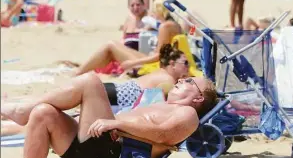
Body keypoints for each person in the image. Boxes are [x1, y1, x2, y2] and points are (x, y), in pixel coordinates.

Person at [1, 76, 217, 158]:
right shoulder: (162, 104)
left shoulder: (188, 115)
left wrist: (118, 122)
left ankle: (22, 109)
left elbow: (164, 134)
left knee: (91, 82)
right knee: (43, 113)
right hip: (94, 145)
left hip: (115, 152)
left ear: (198, 97)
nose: (181, 79)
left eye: (189, 80)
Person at [1, 44, 192, 127]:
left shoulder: (159, 73)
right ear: (172, 64)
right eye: (186, 63)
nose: (188, 68)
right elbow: (154, 106)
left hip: (111, 90)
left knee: (57, 105)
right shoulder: (167, 81)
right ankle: (17, 111)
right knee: (59, 110)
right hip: (112, 99)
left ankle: (15, 107)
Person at [73, 0, 182, 76]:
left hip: (156, 66)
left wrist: (133, 63)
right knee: (113, 47)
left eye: (154, 12)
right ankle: (84, 71)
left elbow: (159, 56)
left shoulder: (165, 27)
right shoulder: (174, 25)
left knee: (110, 45)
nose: (153, 15)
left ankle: (79, 73)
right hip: (159, 62)